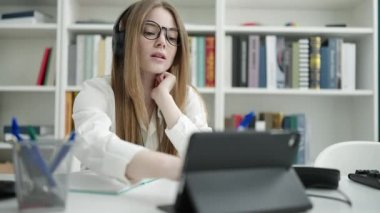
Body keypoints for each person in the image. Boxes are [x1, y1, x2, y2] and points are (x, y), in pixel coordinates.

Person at [72, 0, 211, 184]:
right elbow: (91, 143)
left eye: (172, 37)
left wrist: (165, 101)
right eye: (150, 32)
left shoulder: (188, 96)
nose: (162, 42)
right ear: (124, 42)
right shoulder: (96, 91)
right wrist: (171, 167)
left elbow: (206, 157)